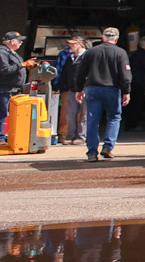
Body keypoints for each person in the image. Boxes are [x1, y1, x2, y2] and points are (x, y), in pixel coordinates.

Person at [78, 27, 131, 162]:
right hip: (112, 90)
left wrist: (78, 89)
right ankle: (108, 146)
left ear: (102, 38)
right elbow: (125, 76)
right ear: (116, 39)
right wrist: (126, 91)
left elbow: (80, 72)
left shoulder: (90, 52)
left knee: (92, 121)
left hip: (92, 89)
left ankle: (91, 152)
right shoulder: (120, 53)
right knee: (114, 117)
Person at [0, 31, 27, 142]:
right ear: (12, 41)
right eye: (19, 40)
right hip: (3, 88)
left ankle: (10, 135)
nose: (21, 42)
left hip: (13, 88)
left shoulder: (12, 53)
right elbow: (4, 70)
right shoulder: (1, 53)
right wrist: (22, 65)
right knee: (1, 112)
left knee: (13, 113)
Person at [54, 36, 87, 144]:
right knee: (70, 113)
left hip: (85, 89)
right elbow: (64, 74)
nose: (70, 46)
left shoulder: (87, 57)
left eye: (73, 44)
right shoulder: (70, 57)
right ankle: (70, 136)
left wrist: (84, 87)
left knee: (83, 114)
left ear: (79, 45)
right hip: (72, 89)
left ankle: (81, 137)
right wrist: (57, 86)